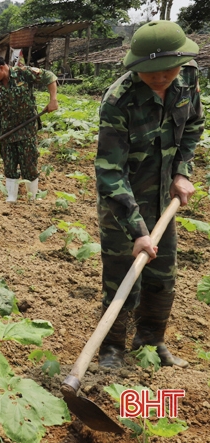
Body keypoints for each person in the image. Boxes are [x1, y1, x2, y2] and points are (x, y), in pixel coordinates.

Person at [96, 20, 204, 369]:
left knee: (162, 275)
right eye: (150, 72)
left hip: (163, 198)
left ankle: (151, 341)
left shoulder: (187, 79)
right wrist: (137, 230)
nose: (159, 78)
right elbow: (110, 173)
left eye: (166, 71)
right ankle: (111, 349)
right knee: (121, 275)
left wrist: (181, 171)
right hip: (122, 202)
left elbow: (194, 126)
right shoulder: (118, 101)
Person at [0, 53, 59, 202]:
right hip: (7, 133)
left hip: (27, 130)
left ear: (2, 68)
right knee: (9, 166)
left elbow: (49, 76)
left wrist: (53, 99)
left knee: (29, 165)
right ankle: (11, 198)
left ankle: (33, 198)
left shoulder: (24, 74)